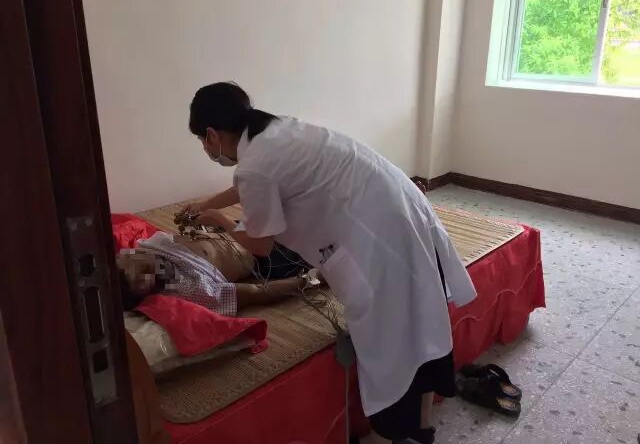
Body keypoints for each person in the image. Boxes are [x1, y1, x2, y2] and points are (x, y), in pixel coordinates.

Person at [178, 82, 477, 444]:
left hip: (378, 231)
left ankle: (397, 434)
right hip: (400, 203)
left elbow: (260, 244)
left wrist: (219, 221)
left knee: (393, 336)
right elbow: (251, 184)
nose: (206, 149)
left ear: (211, 135)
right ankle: (423, 427)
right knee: (420, 317)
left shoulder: (255, 164)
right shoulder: (275, 130)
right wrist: (206, 204)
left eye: (203, 141)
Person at [117, 229, 312, 314]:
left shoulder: (150, 244)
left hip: (240, 227)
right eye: (146, 287)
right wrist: (313, 279)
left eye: (144, 270)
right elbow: (257, 292)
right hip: (271, 255)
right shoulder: (191, 290)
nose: (152, 278)